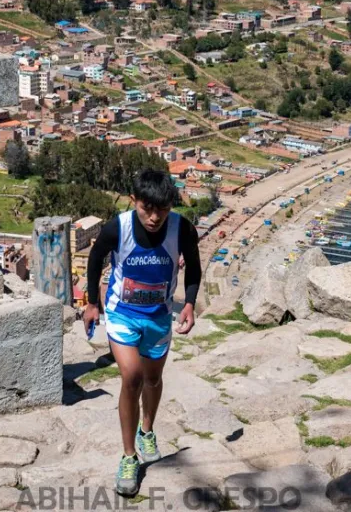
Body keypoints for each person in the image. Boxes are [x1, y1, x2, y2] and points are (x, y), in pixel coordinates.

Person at [84, 169, 202, 496]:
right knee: (132, 377)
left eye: (162, 209)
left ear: (171, 206)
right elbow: (95, 258)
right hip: (122, 314)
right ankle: (128, 457)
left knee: (152, 379)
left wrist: (189, 303)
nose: (154, 217)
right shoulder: (118, 228)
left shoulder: (182, 229)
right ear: (133, 200)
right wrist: (92, 303)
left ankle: (146, 431)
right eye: (146, 208)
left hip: (159, 317)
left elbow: (193, 266)